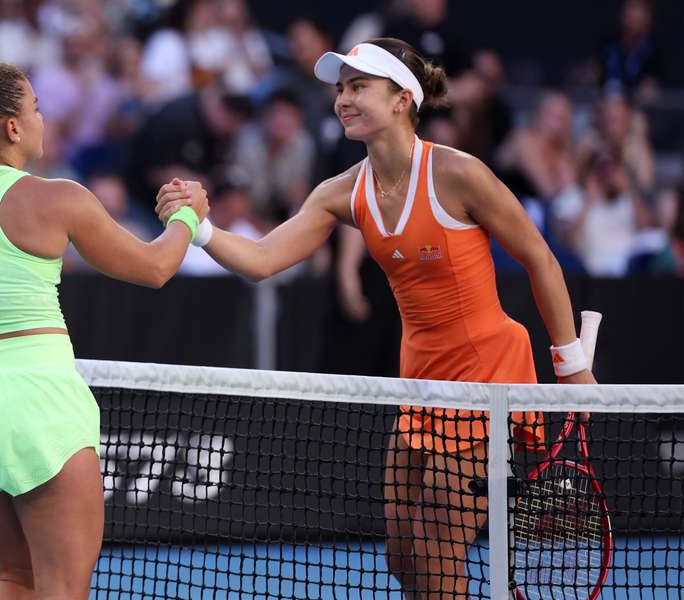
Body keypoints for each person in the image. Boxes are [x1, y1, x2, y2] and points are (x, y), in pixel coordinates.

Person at [156, 37, 596, 598]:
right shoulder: (342, 192)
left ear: (401, 99)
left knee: (438, 562)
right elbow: (263, 259)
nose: (343, 98)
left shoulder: (459, 174)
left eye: (358, 86)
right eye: (341, 88)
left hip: (485, 375)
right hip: (418, 378)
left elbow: (540, 258)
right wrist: (201, 225)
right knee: (402, 557)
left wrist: (571, 363)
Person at [0, 56, 207, 598]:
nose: (42, 118)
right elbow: (155, 268)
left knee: (16, 579)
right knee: (62, 588)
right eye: (36, 108)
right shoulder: (60, 198)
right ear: (12, 128)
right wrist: (187, 216)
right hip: (37, 406)